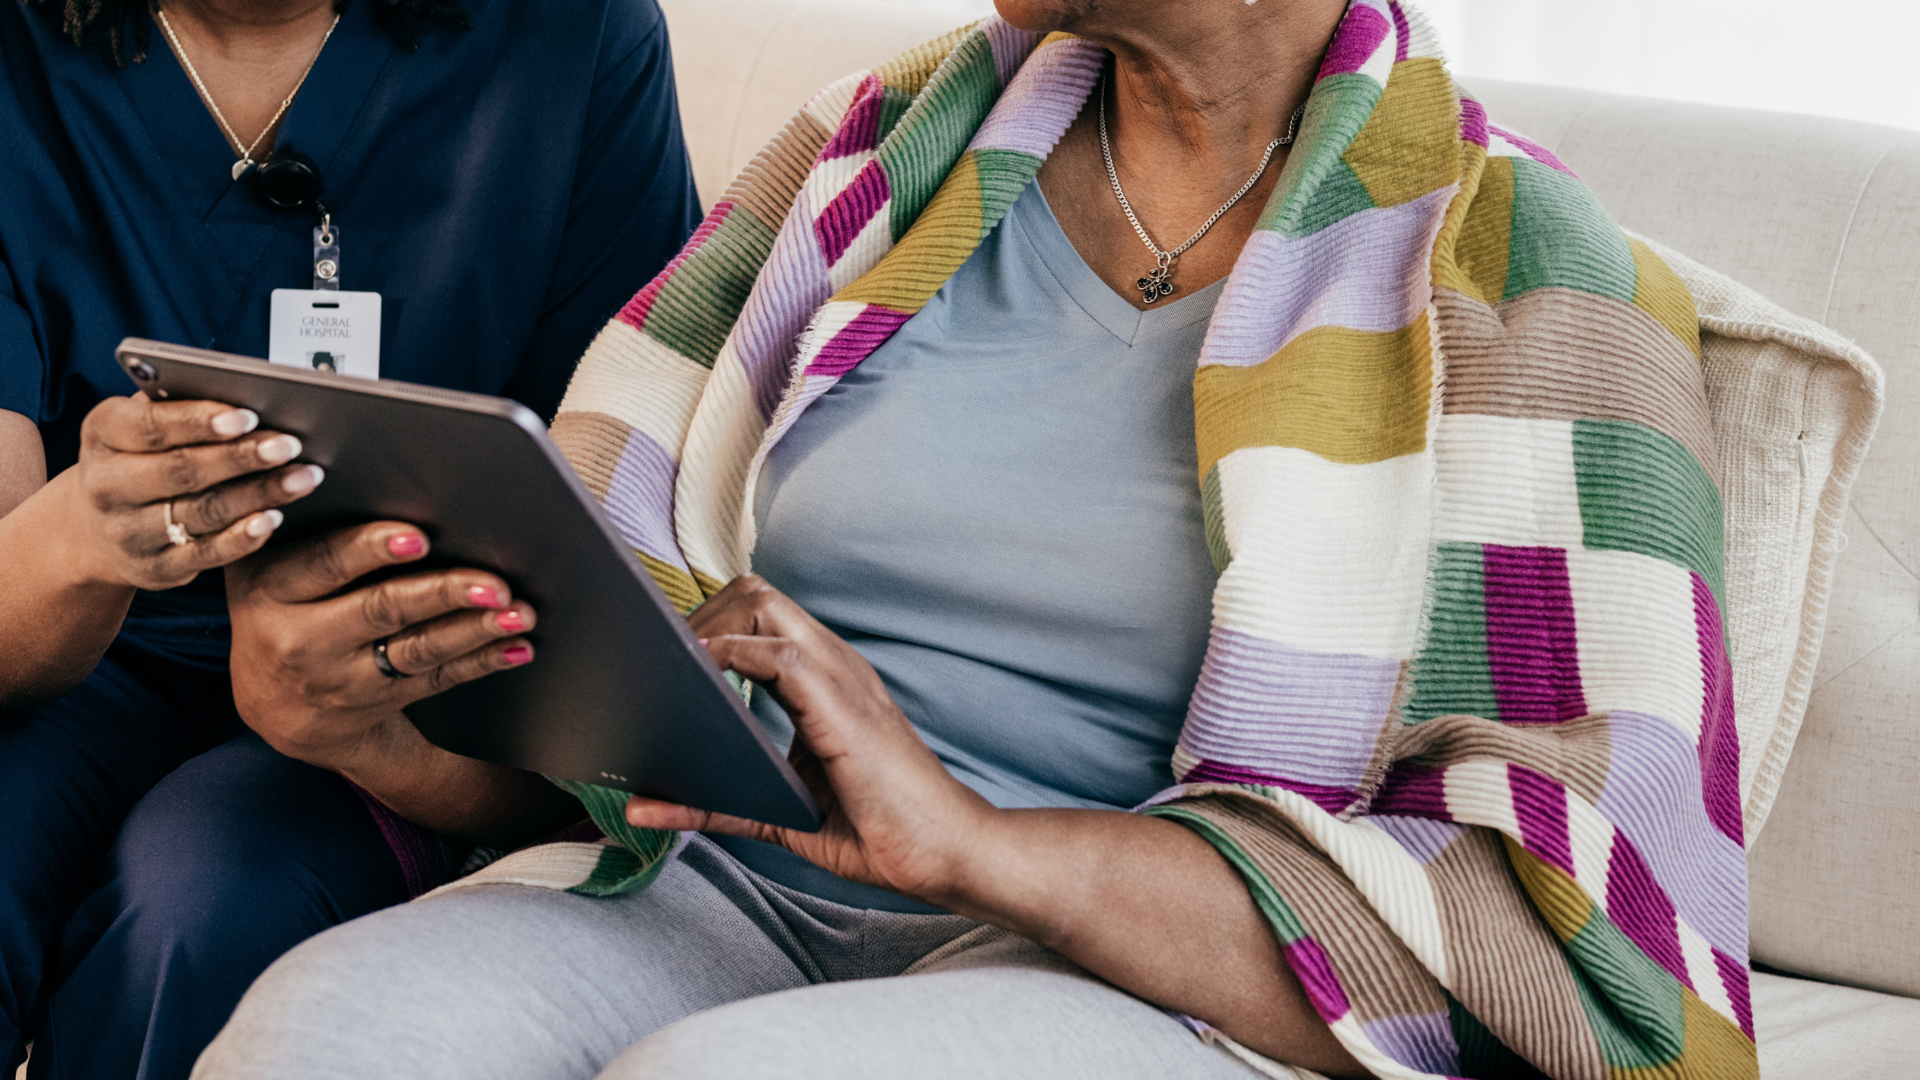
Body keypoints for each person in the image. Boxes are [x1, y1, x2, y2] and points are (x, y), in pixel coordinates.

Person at [194, 1, 1758, 1078]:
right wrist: (370, 726)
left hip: (1153, 968)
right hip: (729, 876)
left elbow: (1566, 932)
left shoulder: (1527, 276)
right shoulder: (875, 158)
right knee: (325, 1031)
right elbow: (619, 676)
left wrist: (974, 843)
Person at [0, 0, 701, 1075]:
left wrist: (375, 736)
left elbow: (620, 612)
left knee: (207, 897)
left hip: (408, 696)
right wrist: (85, 533)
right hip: (76, 656)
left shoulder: (576, 37)